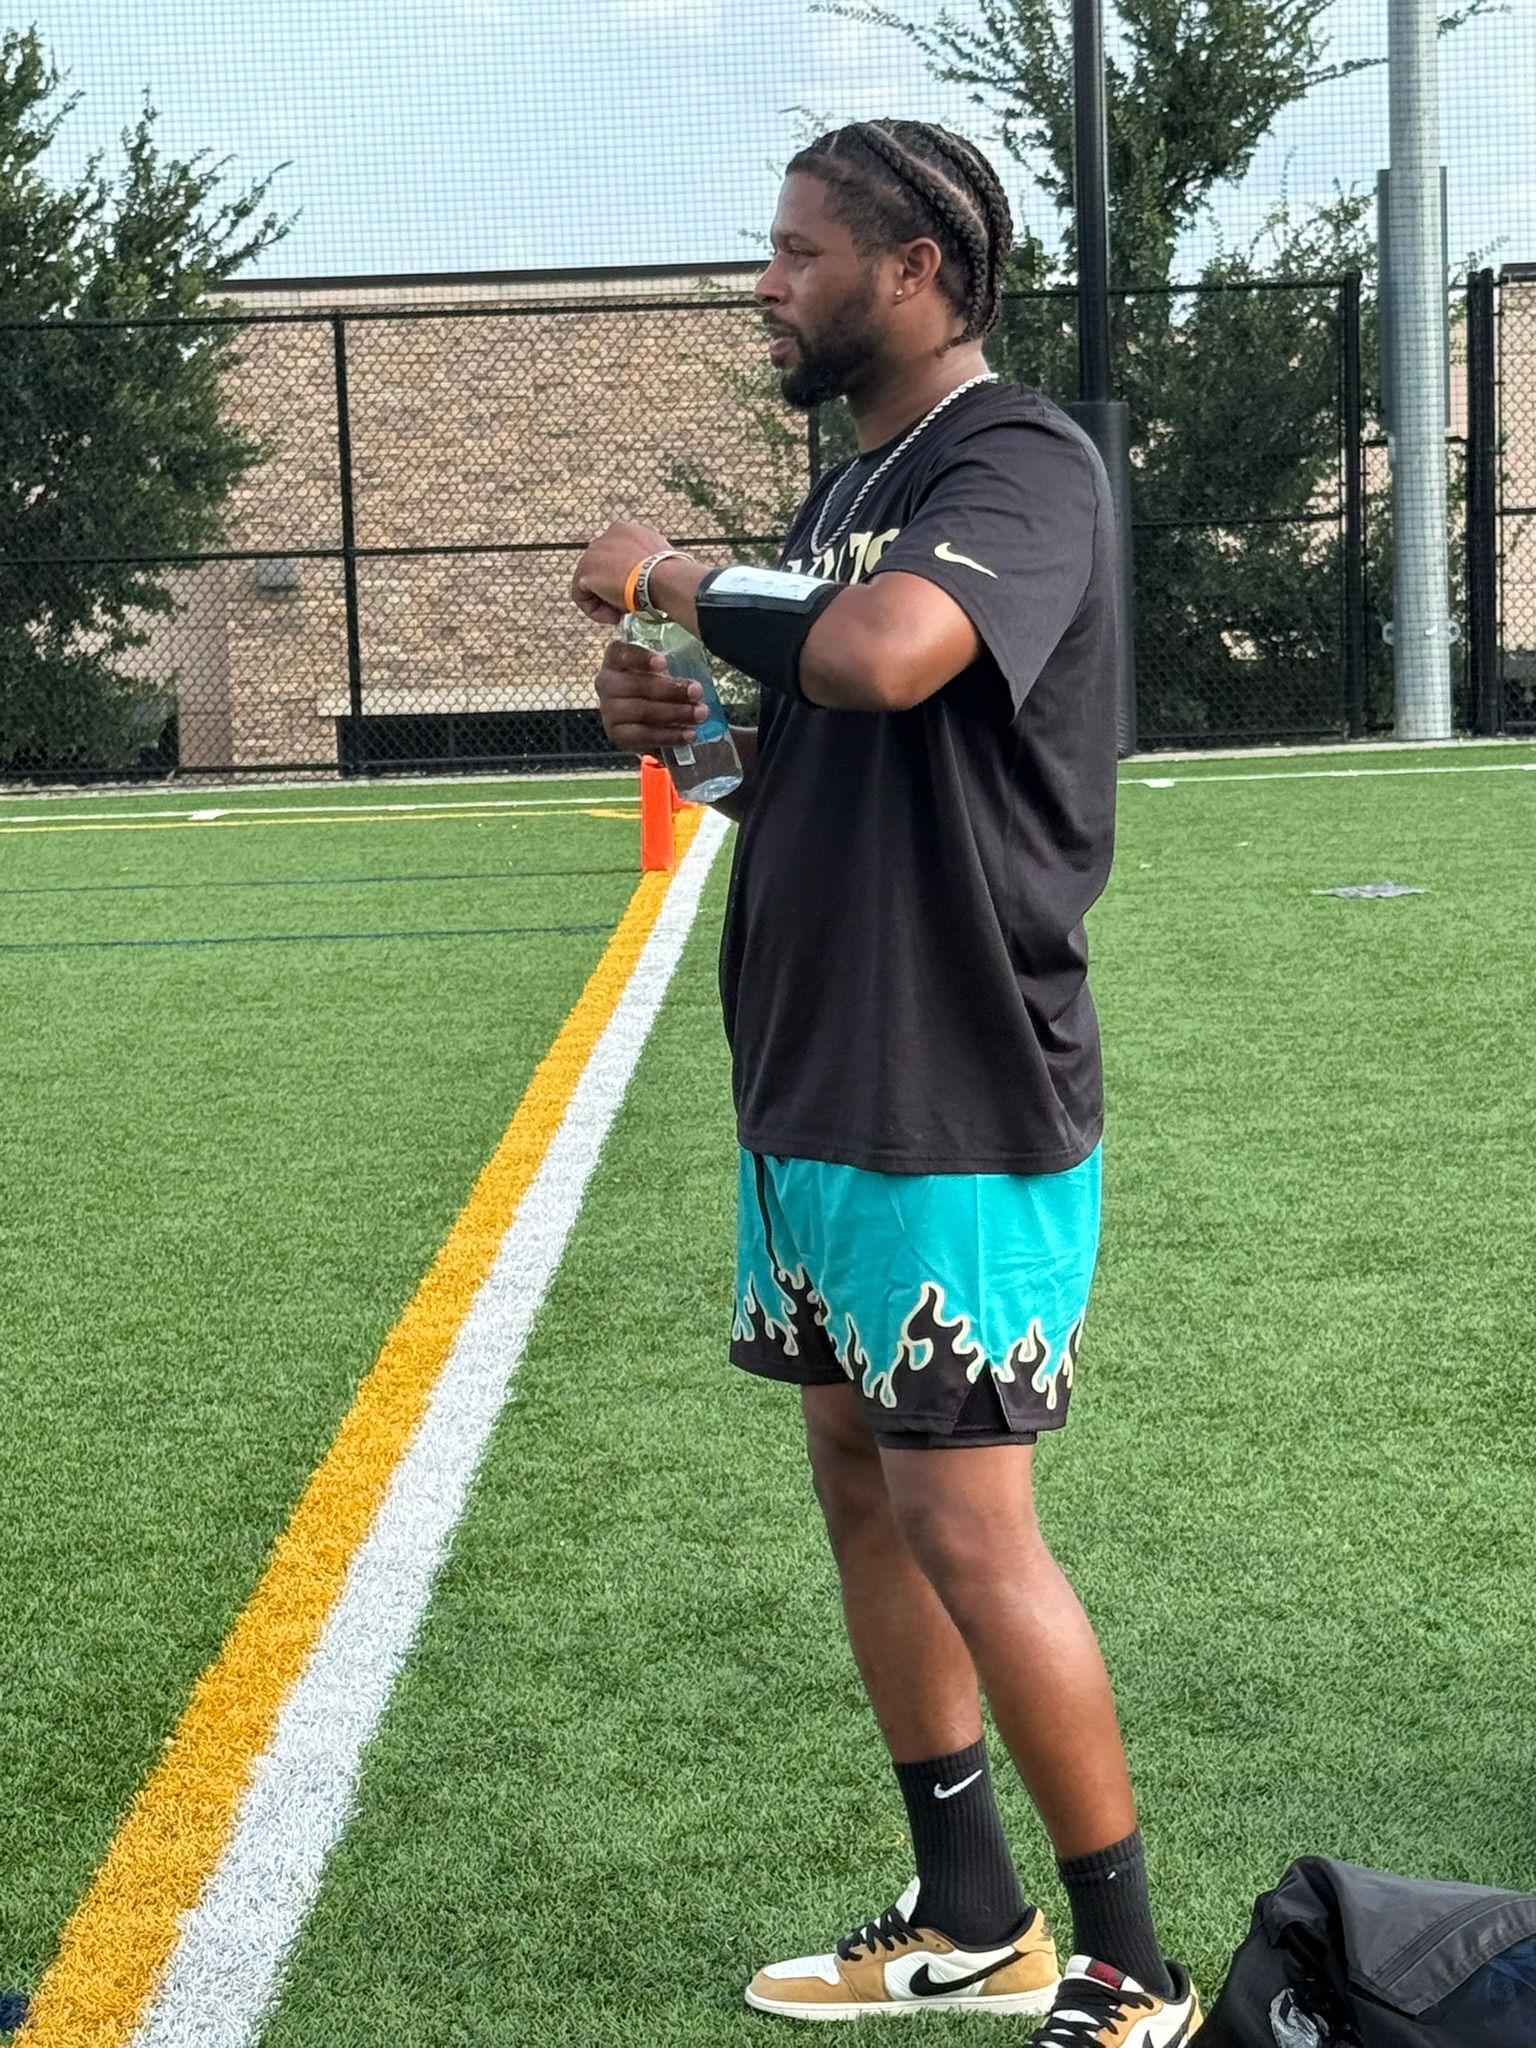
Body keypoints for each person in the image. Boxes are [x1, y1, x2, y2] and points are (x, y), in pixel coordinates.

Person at [571, 118, 1200, 2047]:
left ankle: (1132, 1967)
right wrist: (690, 737)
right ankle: (971, 1906)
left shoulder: (1019, 460)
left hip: (955, 1082)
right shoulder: (857, 485)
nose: (764, 284)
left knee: (969, 1519)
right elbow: (829, 758)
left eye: (794, 252)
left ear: (912, 268)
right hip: (815, 1077)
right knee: (860, 1477)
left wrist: (674, 578)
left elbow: (889, 655)